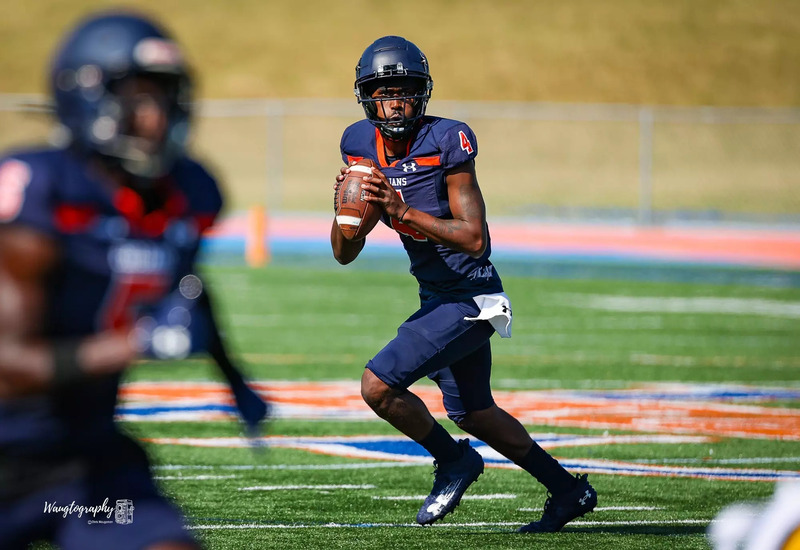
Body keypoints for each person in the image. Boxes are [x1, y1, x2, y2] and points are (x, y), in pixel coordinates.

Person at [0, 11, 266, 549]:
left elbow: (185, 287)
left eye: (166, 99)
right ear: (89, 99)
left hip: (81, 464)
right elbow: (6, 367)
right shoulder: (43, 193)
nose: (158, 118)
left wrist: (235, 381)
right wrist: (136, 342)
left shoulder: (185, 192)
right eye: (140, 99)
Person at [330, 35, 597, 532]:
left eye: (406, 90)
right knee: (476, 412)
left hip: (471, 297)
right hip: (436, 295)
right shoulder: (358, 143)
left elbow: (476, 239)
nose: (396, 102)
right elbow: (344, 254)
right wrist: (347, 215)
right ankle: (568, 490)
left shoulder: (447, 141)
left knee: (379, 386)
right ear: (367, 96)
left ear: (422, 93)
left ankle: (454, 461)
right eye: (385, 92)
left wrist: (401, 210)